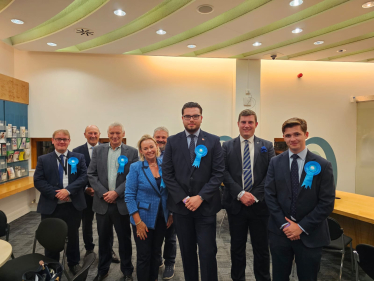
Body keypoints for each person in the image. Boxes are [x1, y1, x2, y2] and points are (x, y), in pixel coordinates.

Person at [265, 117, 335, 281]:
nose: (293, 139)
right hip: (280, 233)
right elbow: (269, 195)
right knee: (279, 277)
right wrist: (285, 224)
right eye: (288, 135)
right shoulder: (275, 162)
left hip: (310, 235)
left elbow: (326, 203)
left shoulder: (323, 165)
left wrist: (301, 227)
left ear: (306, 134)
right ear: (284, 138)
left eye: (297, 134)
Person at [162, 102, 224, 281]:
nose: (191, 119)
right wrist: (184, 198)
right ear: (182, 118)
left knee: (207, 252)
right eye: (188, 116)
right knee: (187, 252)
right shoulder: (172, 141)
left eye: (195, 116)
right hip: (182, 209)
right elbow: (168, 174)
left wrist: (200, 197)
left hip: (206, 208)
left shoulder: (213, 141)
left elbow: (218, 173)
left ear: (201, 118)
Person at [222, 109, 275, 281]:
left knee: (261, 249)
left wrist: (253, 195)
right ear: (238, 124)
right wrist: (240, 193)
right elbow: (223, 172)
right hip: (236, 206)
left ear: (256, 124)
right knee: (237, 248)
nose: (246, 125)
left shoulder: (267, 146)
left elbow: (271, 174)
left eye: (250, 122)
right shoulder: (227, 146)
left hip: (260, 206)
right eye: (243, 122)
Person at [88, 122, 138, 281]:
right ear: (107, 135)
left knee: (124, 240)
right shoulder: (98, 150)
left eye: (118, 133)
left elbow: (132, 176)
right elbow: (91, 175)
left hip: (121, 203)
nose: (115, 136)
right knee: (103, 239)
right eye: (111, 134)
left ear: (123, 134)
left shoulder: (132, 152)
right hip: (102, 204)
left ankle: (127, 271)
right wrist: (104, 194)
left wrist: (116, 193)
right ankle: (103, 270)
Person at [34, 129, 87, 275]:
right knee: (52, 237)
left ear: (69, 141)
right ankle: (52, 265)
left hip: (73, 205)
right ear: (52, 141)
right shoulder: (43, 159)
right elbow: (38, 181)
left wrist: (68, 191)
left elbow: (84, 177)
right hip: (51, 206)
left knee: (73, 236)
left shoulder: (78, 157)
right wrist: (56, 194)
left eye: (64, 139)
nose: (61, 142)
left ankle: (73, 263)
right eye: (58, 139)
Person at [125, 135, 173, 281]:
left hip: (162, 217)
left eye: (152, 147)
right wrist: (138, 222)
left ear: (157, 147)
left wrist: (171, 214)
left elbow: (171, 192)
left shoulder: (166, 165)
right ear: (141, 151)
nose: (150, 150)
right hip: (143, 219)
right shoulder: (136, 168)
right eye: (145, 148)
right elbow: (129, 196)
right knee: (144, 256)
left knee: (156, 254)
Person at [72, 125, 120, 263]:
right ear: (84, 134)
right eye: (90, 133)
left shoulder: (108, 149)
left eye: (95, 133)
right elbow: (77, 174)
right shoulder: (77, 151)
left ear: (100, 134)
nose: (93, 135)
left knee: (107, 224)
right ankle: (89, 249)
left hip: (104, 194)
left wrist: (101, 190)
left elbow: (111, 172)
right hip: (86, 194)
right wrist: (86, 187)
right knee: (87, 224)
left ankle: (109, 249)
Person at [154, 126, 176, 280]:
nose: (160, 140)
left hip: (169, 204)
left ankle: (170, 262)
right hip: (152, 206)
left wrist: (173, 211)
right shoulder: (146, 155)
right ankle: (157, 260)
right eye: (158, 137)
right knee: (155, 236)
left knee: (170, 237)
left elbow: (177, 184)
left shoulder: (174, 156)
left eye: (164, 138)